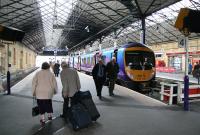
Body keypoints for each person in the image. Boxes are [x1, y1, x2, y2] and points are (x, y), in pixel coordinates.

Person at [32, 62, 58, 126]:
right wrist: (55, 91)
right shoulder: (51, 74)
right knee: (48, 104)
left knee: (41, 106)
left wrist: (33, 92)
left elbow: (34, 83)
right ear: (48, 67)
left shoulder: (37, 73)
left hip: (39, 92)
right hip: (48, 93)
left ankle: (43, 120)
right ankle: (49, 116)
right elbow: (54, 83)